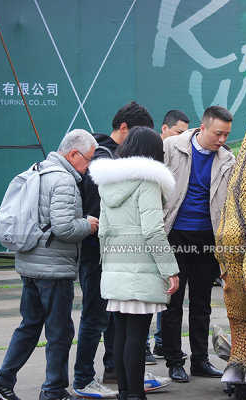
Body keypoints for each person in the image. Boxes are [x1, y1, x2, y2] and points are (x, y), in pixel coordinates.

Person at [0, 130, 99, 400]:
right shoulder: (64, 181)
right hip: (53, 267)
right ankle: (54, 390)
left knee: (30, 324)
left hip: (30, 262)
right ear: (73, 154)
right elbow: (64, 228)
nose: (89, 166)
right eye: (88, 159)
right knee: (60, 331)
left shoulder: (38, 171)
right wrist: (90, 225)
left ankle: (2, 380)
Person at [89, 126, 180, 400]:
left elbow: (103, 231)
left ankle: (125, 393)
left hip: (116, 270)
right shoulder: (147, 182)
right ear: (153, 153)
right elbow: (153, 231)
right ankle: (136, 395)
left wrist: (110, 267)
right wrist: (170, 269)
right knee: (137, 337)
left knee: (120, 334)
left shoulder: (107, 183)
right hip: (142, 271)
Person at [73, 102, 154, 398]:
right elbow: (98, 216)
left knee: (111, 322)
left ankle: (114, 371)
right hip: (98, 255)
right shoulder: (102, 160)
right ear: (124, 129)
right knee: (95, 317)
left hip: (108, 256)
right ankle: (83, 378)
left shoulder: (109, 158)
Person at [161, 105, 236, 382]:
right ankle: (173, 360)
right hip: (175, 235)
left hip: (207, 238)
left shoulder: (228, 160)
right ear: (202, 128)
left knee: (202, 303)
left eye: (227, 135)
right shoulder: (171, 148)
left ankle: (200, 360)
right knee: (173, 301)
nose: (222, 140)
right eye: (218, 133)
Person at [150, 109, 190, 361]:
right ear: (164, 130)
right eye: (178, 133)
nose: (182, 138)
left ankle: (161, 342)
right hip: (159, 235)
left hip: (178, 237)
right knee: (156, 295)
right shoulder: (154, 157)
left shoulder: (182, 157)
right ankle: (155, 343)